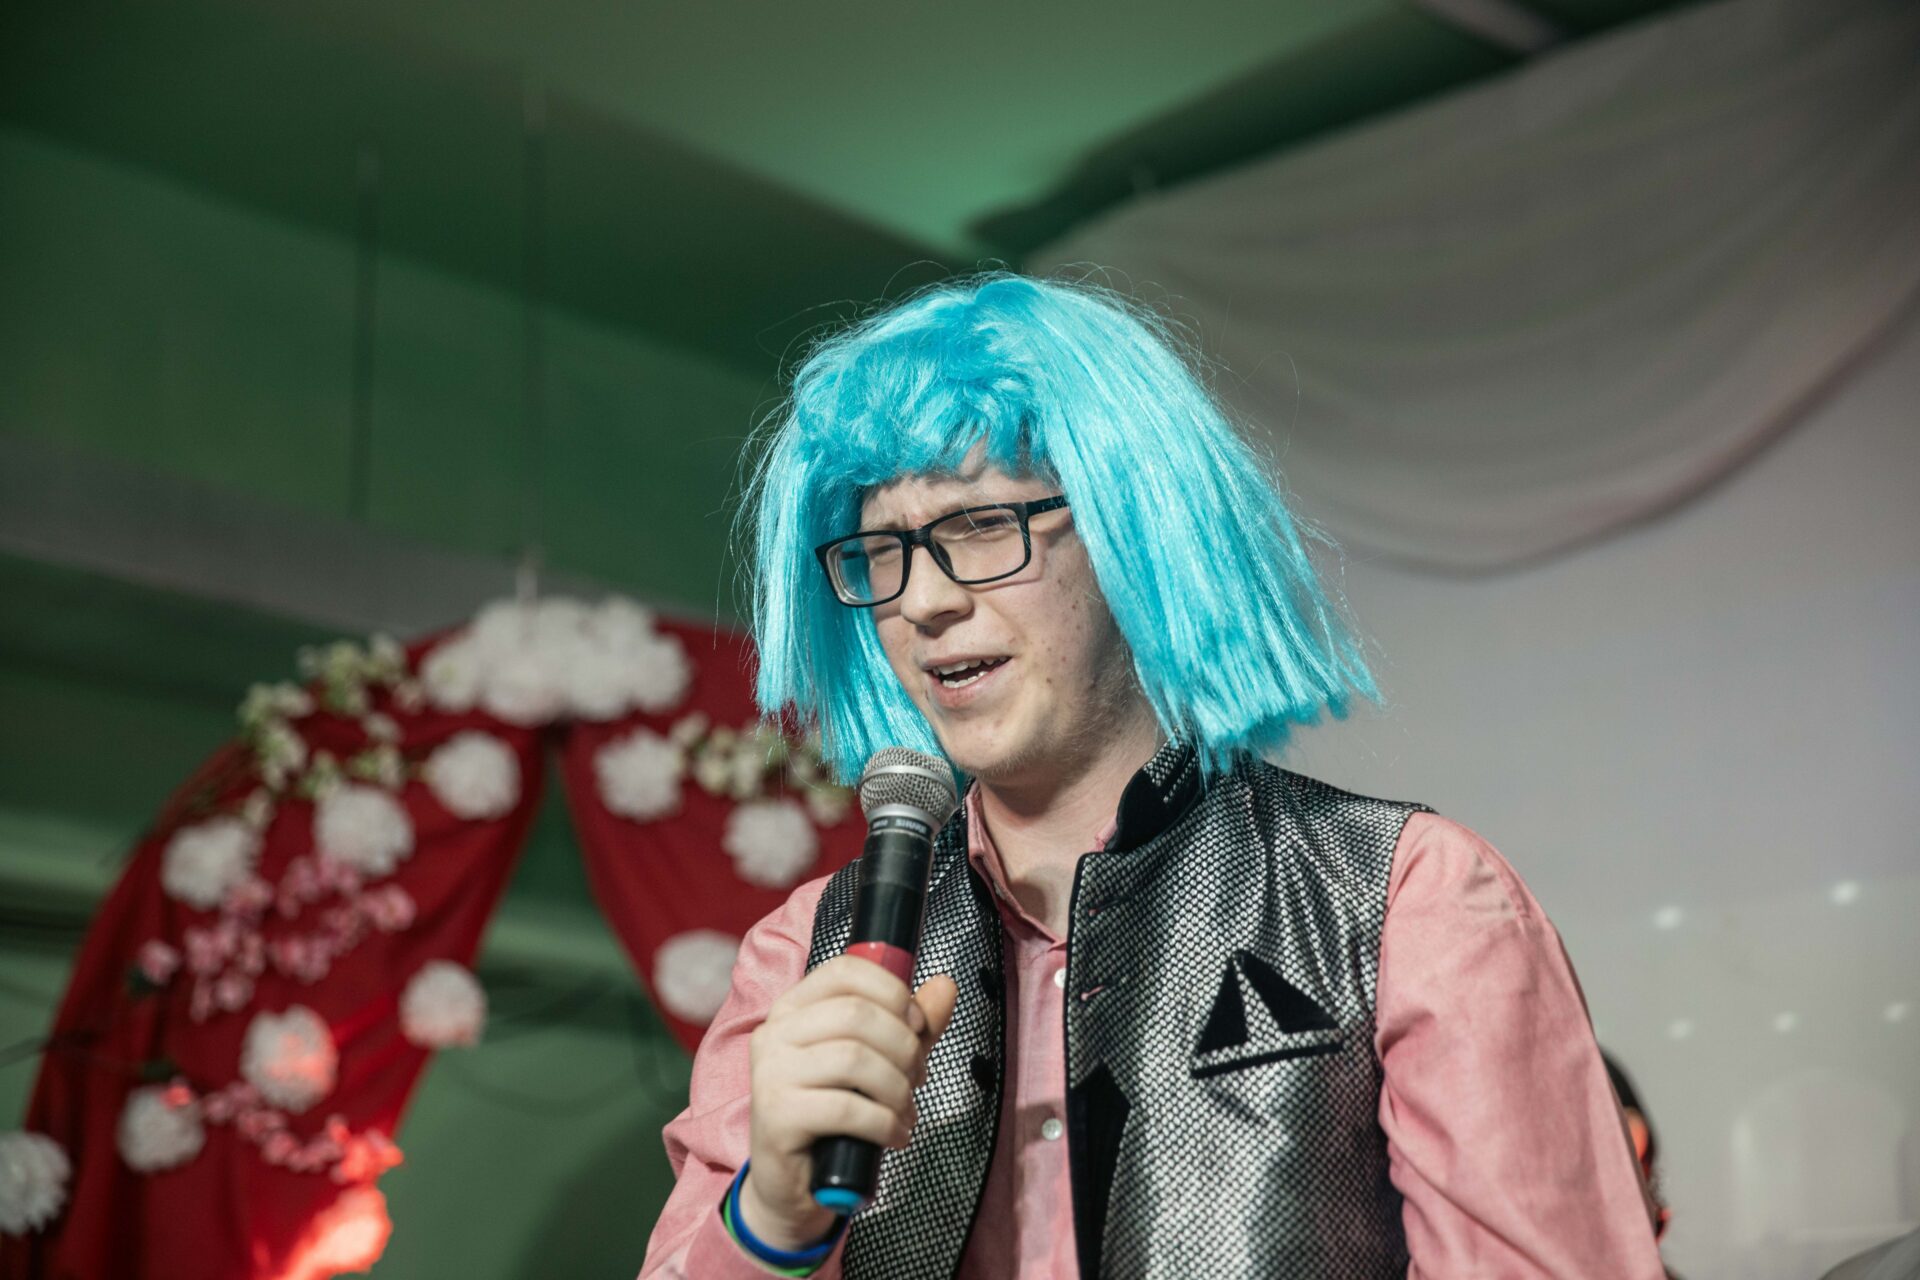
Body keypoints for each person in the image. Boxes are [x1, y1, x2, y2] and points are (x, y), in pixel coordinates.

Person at [639, 272, 1663, 1278]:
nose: (923, 602)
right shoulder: (803, 952)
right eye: (881, 550)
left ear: (1133, 532)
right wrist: (770, 1220)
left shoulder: (1402, 898)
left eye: (982, 526)